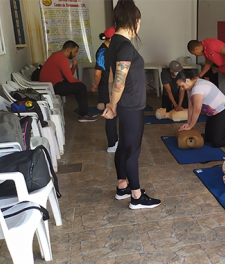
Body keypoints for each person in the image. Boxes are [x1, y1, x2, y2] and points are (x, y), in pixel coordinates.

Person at [103, 0, 160, 209]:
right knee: (133, 150)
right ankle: (136, 196)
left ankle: (122, 187)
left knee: (124, 146)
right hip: (132, 105)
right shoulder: (125, 46)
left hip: (124, 104)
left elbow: (112, 78)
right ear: (134, 21)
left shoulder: (114, 42)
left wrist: (113, 103)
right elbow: (119, 80)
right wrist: (113, 104)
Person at [176, 70, 225, 147]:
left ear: (187, 80)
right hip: (213, 114)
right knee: (208, 138)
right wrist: (188, 123)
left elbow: (197, 110)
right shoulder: (190, 88)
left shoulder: (197, 89)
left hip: (223, 111)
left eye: (182, 86)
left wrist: (191, 126)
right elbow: (191, 107)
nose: (182, 88)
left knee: (216, 142)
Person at [40, 40, 96, 122]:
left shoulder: (57, 55)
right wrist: (81, 83)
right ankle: (83, 115)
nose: (75, 54)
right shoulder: (62, 58)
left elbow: (67, 76)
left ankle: (84, 111)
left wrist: (73, 66)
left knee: (79, 87)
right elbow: (70, 79)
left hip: (51, 86)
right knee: (81, 87)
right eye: (75, 52)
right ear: (68, 50)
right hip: (52, 87)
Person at [93, 27, 119, 153]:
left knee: (114, 113)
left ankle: (116, 140)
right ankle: (112, 144)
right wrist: (96, 85)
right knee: (110, 114)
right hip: (106, 87)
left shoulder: (109, 49)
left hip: (112, 87)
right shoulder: (102, 51)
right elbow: (98, 72)